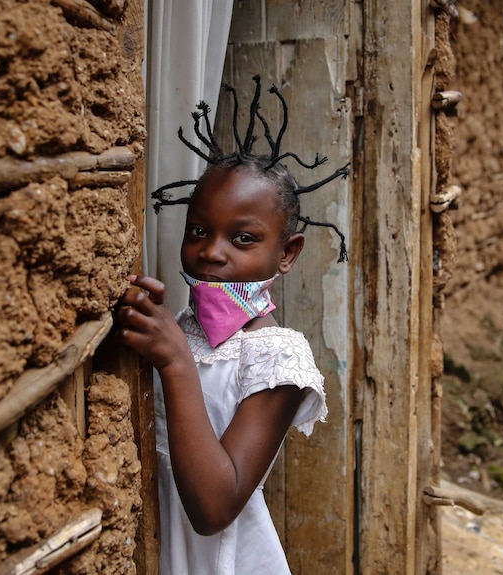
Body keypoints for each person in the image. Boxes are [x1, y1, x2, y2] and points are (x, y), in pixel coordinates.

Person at [115, 77, 349, 574]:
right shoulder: (186, 327)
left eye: (243, 238)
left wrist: (174, 359)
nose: (212, 251)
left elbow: (214, 508)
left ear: (287, 254)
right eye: (198, 230)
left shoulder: (278, 359)